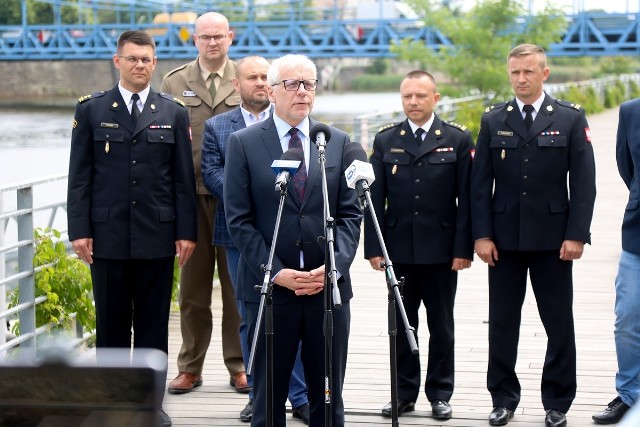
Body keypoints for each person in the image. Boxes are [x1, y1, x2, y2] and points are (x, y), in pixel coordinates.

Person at [67, 30, 197, 427]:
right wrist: (79, 230)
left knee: (154, 326)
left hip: (157, 238)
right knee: (111, 327)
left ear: (154, 64)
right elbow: (80, 177)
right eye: (133, 58)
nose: (140, 65)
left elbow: (182, 181)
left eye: (147, 59)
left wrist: (186, 231)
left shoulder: (172, 111)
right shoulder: (91, 110)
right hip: (106, 238)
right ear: (117, 61)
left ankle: (148, 406)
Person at [224, 54, 362, 426]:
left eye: (309, 84)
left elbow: (350, 215)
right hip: (270, 291)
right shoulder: (244, 143)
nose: (302, 91)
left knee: (327, 397)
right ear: (270, 91)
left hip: (326, 290)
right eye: (292, 84)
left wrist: (332, 268)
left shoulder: (336, 141)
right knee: (269, 400)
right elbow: (239, 220)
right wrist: (277, 273)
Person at [471, 43, 596, 427]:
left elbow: (585, 183)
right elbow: (480, 185)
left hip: (554, 240)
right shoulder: (493, 120)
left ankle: (557, 400)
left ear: (545, 73)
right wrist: (482, 235)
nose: (521, 79)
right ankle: (503, 398)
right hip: (503, 241)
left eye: (528, 72)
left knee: (558, 321)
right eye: (515, 72)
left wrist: (577, 234)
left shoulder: (571, 118)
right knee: (503, 321)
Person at [201, 55, 310, 424]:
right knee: (252, 314)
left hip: (291, 239)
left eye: (266, 77)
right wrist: (242, 195)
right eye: (253, 77)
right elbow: (213, 172)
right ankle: (259, 391)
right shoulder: (220, 127)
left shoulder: (299, 126)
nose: (261, 83)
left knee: (294, 315)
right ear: (237, 84)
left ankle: (298, 393)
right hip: (241, 235)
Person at [363, 70, 474, 420]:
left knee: (442, 325)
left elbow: (467, 200)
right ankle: (403, 393)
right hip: (398, 251)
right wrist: (373, 248)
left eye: (420, 96)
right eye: (407, 96)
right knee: (401, 324)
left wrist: (463, 249)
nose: (413, 102)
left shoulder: (456, 139)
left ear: (435, 98)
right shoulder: (386, 140)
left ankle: (440, 393)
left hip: (442, 251)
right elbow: (373, 199)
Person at [160, 11, 247, 395]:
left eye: (218, 36)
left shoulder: (245, 77)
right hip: (190, 199)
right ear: (193, 40)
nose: (212, 43)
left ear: (230, 37)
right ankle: (190, 366)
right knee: (193, 291)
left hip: (237, 199)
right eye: (204, 37)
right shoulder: (174, 81)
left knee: (236, 287)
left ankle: (240, 364)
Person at [591, 97, 640, 425]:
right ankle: (629, 396)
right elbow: (627, 168)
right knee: (628, 319)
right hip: (637, 234)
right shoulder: (631, 111)